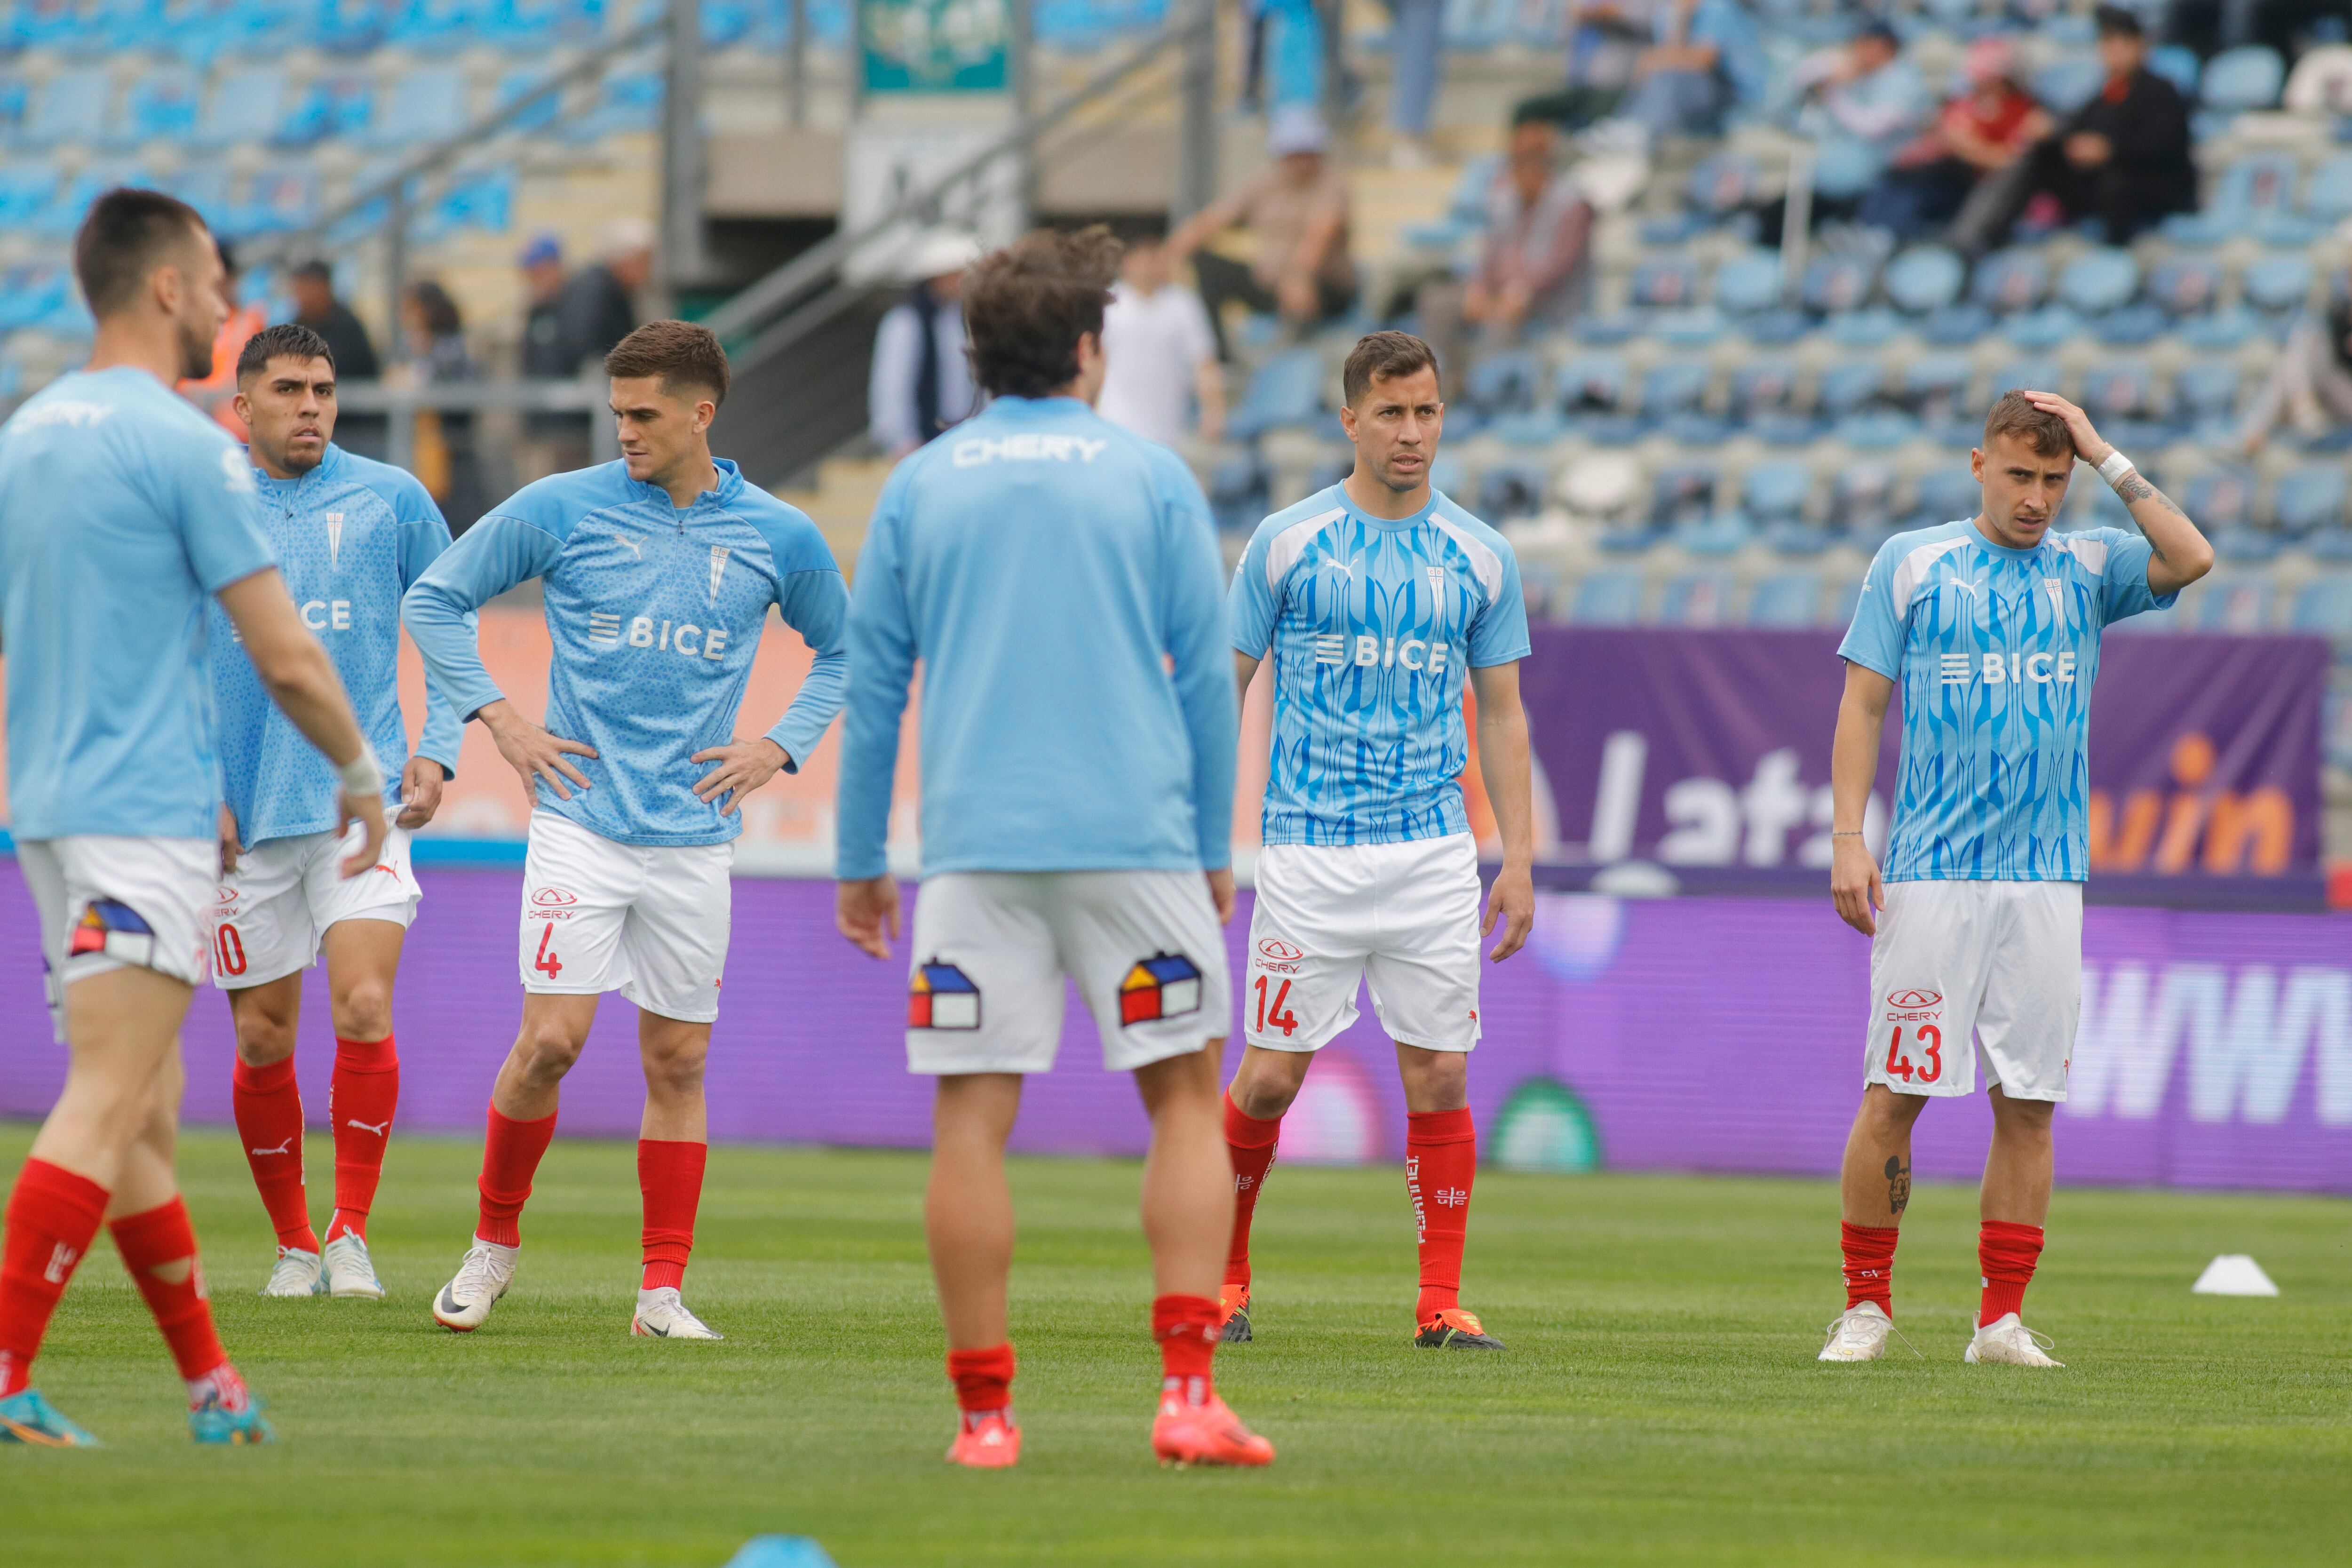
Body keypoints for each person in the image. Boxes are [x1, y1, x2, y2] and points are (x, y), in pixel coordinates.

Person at [833, 227, 1270, 1470]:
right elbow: (1204, 682)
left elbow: (876, 686)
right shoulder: (1151, 476)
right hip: (1134, 842)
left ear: (975, 353)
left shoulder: (919, 483)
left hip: (976, 848)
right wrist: (1208, 845)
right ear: (1090, 346)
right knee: (1185, 1096)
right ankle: (1187, 1391)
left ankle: (984, 1418)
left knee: (970, 1121)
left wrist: (862, 859)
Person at [0, 188, 387, 1447]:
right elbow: (284, 653)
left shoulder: (30, 430)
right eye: (219, 278)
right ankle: (4, 1375)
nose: (233, 302)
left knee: (146, 1113)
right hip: (143, 813)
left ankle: (214, 1386)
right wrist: (363, 774)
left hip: (50, 810)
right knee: (111, 1093)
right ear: (167, 288)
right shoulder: (185, 448)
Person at [402, 320, 849, 1342]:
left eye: (644, 415)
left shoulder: (778, 534)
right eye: (617, 414)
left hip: (694, 834)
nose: (626, 433)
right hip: (581, 822)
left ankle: (659, 1294)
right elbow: (435, 599)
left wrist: (778, 748)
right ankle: (492, 1245)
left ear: (702, 414)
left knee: (679, 1063)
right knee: (551, 1042)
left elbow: (841, 652)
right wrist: (504, 721)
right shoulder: (563, 507)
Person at [1819, 390, 2213, 1368]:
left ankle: (1999, 1321)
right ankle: (1866, 1307)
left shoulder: (2088, 566)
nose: (2036, 497)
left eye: (2052, 478)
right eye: (2019, 475)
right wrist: (1844, 835)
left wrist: (2102, 452)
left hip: (2045, 881)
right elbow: (1862, 705)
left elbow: (2192, 556)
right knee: (1894, 1093)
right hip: (1931, 874)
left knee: (2028, 1102)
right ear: (1978, 466)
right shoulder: (1912, 562)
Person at [1219, 331, 1535, 1352]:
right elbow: (1220, 690)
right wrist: (1195, 836)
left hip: (1431, 853)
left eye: (1428, 411)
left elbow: (1502, 715)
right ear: (1348, 418)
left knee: (1439, 1074)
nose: (1412, 432)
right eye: (1391, 413)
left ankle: (1438, 1301)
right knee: (1269, 1077)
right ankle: (1223, 1280)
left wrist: (1518, 859)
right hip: (1305, 850)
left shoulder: (1480, 554)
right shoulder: (1285, 541)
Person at [210, 322, 463, 1304]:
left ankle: (350, 1230)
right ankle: (291, 1245)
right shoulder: (205, 506)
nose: (311, 405)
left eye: (322, 388)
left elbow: (450, 621)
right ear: (244, 407)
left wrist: (438, 746)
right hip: (241, 818)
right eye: (288, 389)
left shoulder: (391, 498)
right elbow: (162, 656)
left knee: (362, 1004)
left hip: (364, 806)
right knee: (265, 1036)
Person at [1948, 8, 2195, 254]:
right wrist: (2054, 136)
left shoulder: (2161, 92)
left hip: (2148, 188)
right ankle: (1984, 237)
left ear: (2140, 47)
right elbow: (2073, 131)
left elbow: (2167, 144)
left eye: (2123, 44)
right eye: (2109, 44)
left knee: (2118, 184)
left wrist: (2111, 150)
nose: (2115, 53)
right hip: (2101, 187)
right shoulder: (2104, 96)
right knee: (2040, 156)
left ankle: (2115, 255)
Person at [1168, 107, 1357, 363]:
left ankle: (1293, 360)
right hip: (1272, 282)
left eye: (1308, 154)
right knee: (1207, 266)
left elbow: (1319, 236)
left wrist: (1299, 276)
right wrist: (1174, 250)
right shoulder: (1265, 183)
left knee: (1299, 293)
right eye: (1295, 154)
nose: (1302, 162)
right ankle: (1222, 357)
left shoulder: (1332, 185)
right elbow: (1218, 217)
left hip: (1323, 285)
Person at [1415, 118, 1594, 378]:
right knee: (1438, 302)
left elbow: (1559, 266)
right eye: (1517, 162)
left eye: (1531, 162)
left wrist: (1520, 291)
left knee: (1504, 319)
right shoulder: (1504, 197)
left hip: (1548, 301)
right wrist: (1478, 287)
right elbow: (1489, 253)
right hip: (1499, 293)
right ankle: (1440, 386)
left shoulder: (1572, 204)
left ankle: (1483, 394)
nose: (1522, 171)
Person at [1861, 38, 2051, 241]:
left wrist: (1968, 148)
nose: (1977, 81)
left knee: (1926, 184)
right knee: (1901, 173)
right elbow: (1940, 135)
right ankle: (1868, 231)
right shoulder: (1963, 103)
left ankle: (1887, 239)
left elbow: (2011, 163)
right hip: (1951, 173)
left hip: (1983, 186)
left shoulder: (2023, 111)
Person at [1098, 226, 1226, 448]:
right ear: (1128, 263)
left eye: (1160, 259)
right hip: (1115, 420)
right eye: (1148, 259)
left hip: (1167, 425)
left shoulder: (1183, 304)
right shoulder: (1108, 305)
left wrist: (1213, 410)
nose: (1155, 267)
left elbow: (1203, 361)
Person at [867, 230, 983, 458]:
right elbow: (892, 388)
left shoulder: (963, 319)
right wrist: (902, 441)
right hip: (922, 443)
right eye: (956, 274)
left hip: (964, 438)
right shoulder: (906, 321)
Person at [397, 279, 486, 529]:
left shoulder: (454, 346)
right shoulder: (409, 345)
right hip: (420, 447)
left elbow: (464, 394)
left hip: (453, 448)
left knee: (455, 521)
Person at [1618, 0, 1769, 141]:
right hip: (1696, 94)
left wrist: (1652, 59)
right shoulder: (1666, 12)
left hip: (1733, 97)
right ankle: (1626, 123)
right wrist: (1679, 19)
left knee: (1669, 75)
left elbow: (1703, 60)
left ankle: (1641, 128)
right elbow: (1671, 58)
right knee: (1659, 76)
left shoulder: (1717, 8)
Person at [2238, 287, 2352, 451]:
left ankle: (2254, 431)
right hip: (2333, 391)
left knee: (2293, 356)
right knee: (2302, 343)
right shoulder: (2339, 313)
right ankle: (2302, 408)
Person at [516, 234, 590, 483]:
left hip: (570, 428)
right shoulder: (536, 310)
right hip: (540, 425)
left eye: (538, 270)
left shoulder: (577, 304)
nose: (533, 278)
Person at [178, 239, 269, 440]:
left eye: (225, 280)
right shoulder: (189, 324)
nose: (220, 289)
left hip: (238, 433)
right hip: (195, 427)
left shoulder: (251, 322)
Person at [552, 217, 652, 374]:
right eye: (643, 261)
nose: (647, 270)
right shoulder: (595, 291)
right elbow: (582, 343)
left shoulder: (613, 288)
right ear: (624, 259)